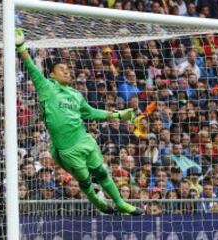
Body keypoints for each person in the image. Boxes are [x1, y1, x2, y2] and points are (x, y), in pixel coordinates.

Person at [15, 28, 142, 215]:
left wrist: (117, 115)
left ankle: (120, 203)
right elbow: (32, 68)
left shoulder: (76, 94)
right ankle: (97, 203)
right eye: (62, 69)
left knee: (102, 173)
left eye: (68, 69)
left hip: (84, 140)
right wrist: (21, 46)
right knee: (85, 180)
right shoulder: (46, 88)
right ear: (52, 75)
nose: (67, 71)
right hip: (66, 148)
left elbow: (90, 113)